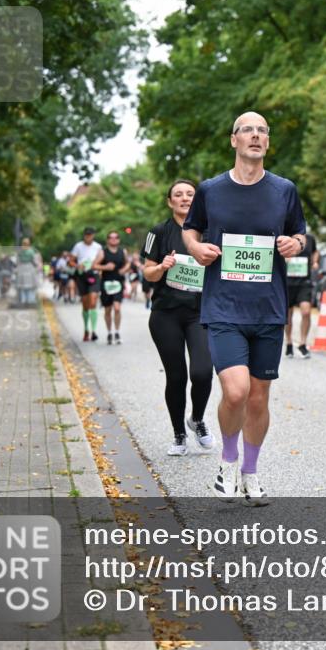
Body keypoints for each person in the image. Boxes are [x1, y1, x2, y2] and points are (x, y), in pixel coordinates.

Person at [183, 111, 307, 507]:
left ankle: (251, 473)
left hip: (268, 308)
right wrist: (196, 248)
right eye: (247, 130)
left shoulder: (284, 189)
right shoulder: (210, 190)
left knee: (258, 397)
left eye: (262, 131)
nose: (255, 135)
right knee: (235, 392)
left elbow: (299, 232)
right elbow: (191, 227)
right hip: (223, 306)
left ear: (267, 142)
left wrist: (296, 245)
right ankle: (227, 462)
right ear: (233, 140)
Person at [143, 180, 215, 456]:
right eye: (178, 195)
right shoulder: (159, 231)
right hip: (166, 314)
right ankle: (178, 434)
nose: (184, 198)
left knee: (202, 372)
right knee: (176, 377)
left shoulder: (209, 231)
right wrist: (162, 266)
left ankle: (196, 419)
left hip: (200, 313)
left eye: (190, 194)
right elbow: (147, 272)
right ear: (170, 201)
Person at [284, 231, 320, 358]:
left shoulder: (309, 238)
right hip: (287, 282)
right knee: (288, 315)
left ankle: (303, 343)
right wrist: (284, 258)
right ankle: (288, 343)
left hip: (304, 282)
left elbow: (315, 251)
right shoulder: (285, 237)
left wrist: (315, 262)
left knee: (306, 312)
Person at [94, 231, 132, 344]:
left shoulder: (122, 251)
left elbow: (128, 263)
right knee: (108, 310)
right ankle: (109, 332)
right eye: (111, 238)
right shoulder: (103, 252)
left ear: (119, 240)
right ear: (108, 240)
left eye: (116, 237)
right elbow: (94, 265)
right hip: (106, 284)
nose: (114, 239)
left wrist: (124, 270)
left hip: (118, 283)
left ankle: (117, 331)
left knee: (117, 308)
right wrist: (105, 267)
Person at [70, 227, 103, 341]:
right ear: (84, 235)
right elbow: (71, 261)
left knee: (93, 301)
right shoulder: (78, 246)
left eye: (90, 235)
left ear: (93, 235)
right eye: (86, 235)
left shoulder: (98, 247)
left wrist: (98, 269)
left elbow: (102, 260)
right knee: (85, 304)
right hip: (82, 275)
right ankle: (86, 329)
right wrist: (77, 265)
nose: (88, 237)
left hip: (93, 275)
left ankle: (93, 331)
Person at [15, 237, 41, 305]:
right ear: (29, 243)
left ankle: (23, 300)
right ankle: (30, 300)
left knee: (22, 286)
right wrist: (37, 266)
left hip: (21, 268)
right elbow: (34, 261)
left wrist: (17, 268)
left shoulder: (19, 251)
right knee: (30, 286)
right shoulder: (31, 251)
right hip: (29, 268)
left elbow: (17, 261)